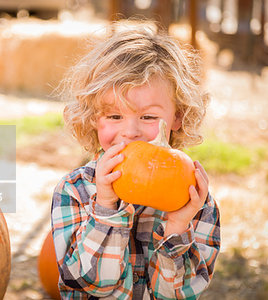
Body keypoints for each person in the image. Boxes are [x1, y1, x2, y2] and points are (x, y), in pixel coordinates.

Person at [51, 26, 220, 299]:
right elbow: (89, 283)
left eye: (148, 117)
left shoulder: (195, 201)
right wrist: (105, 208)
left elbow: (178, 295)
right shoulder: (75, 191)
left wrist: (177, 227)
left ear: (177, 116)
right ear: (94, 118)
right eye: (114, 117)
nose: (130, 132)